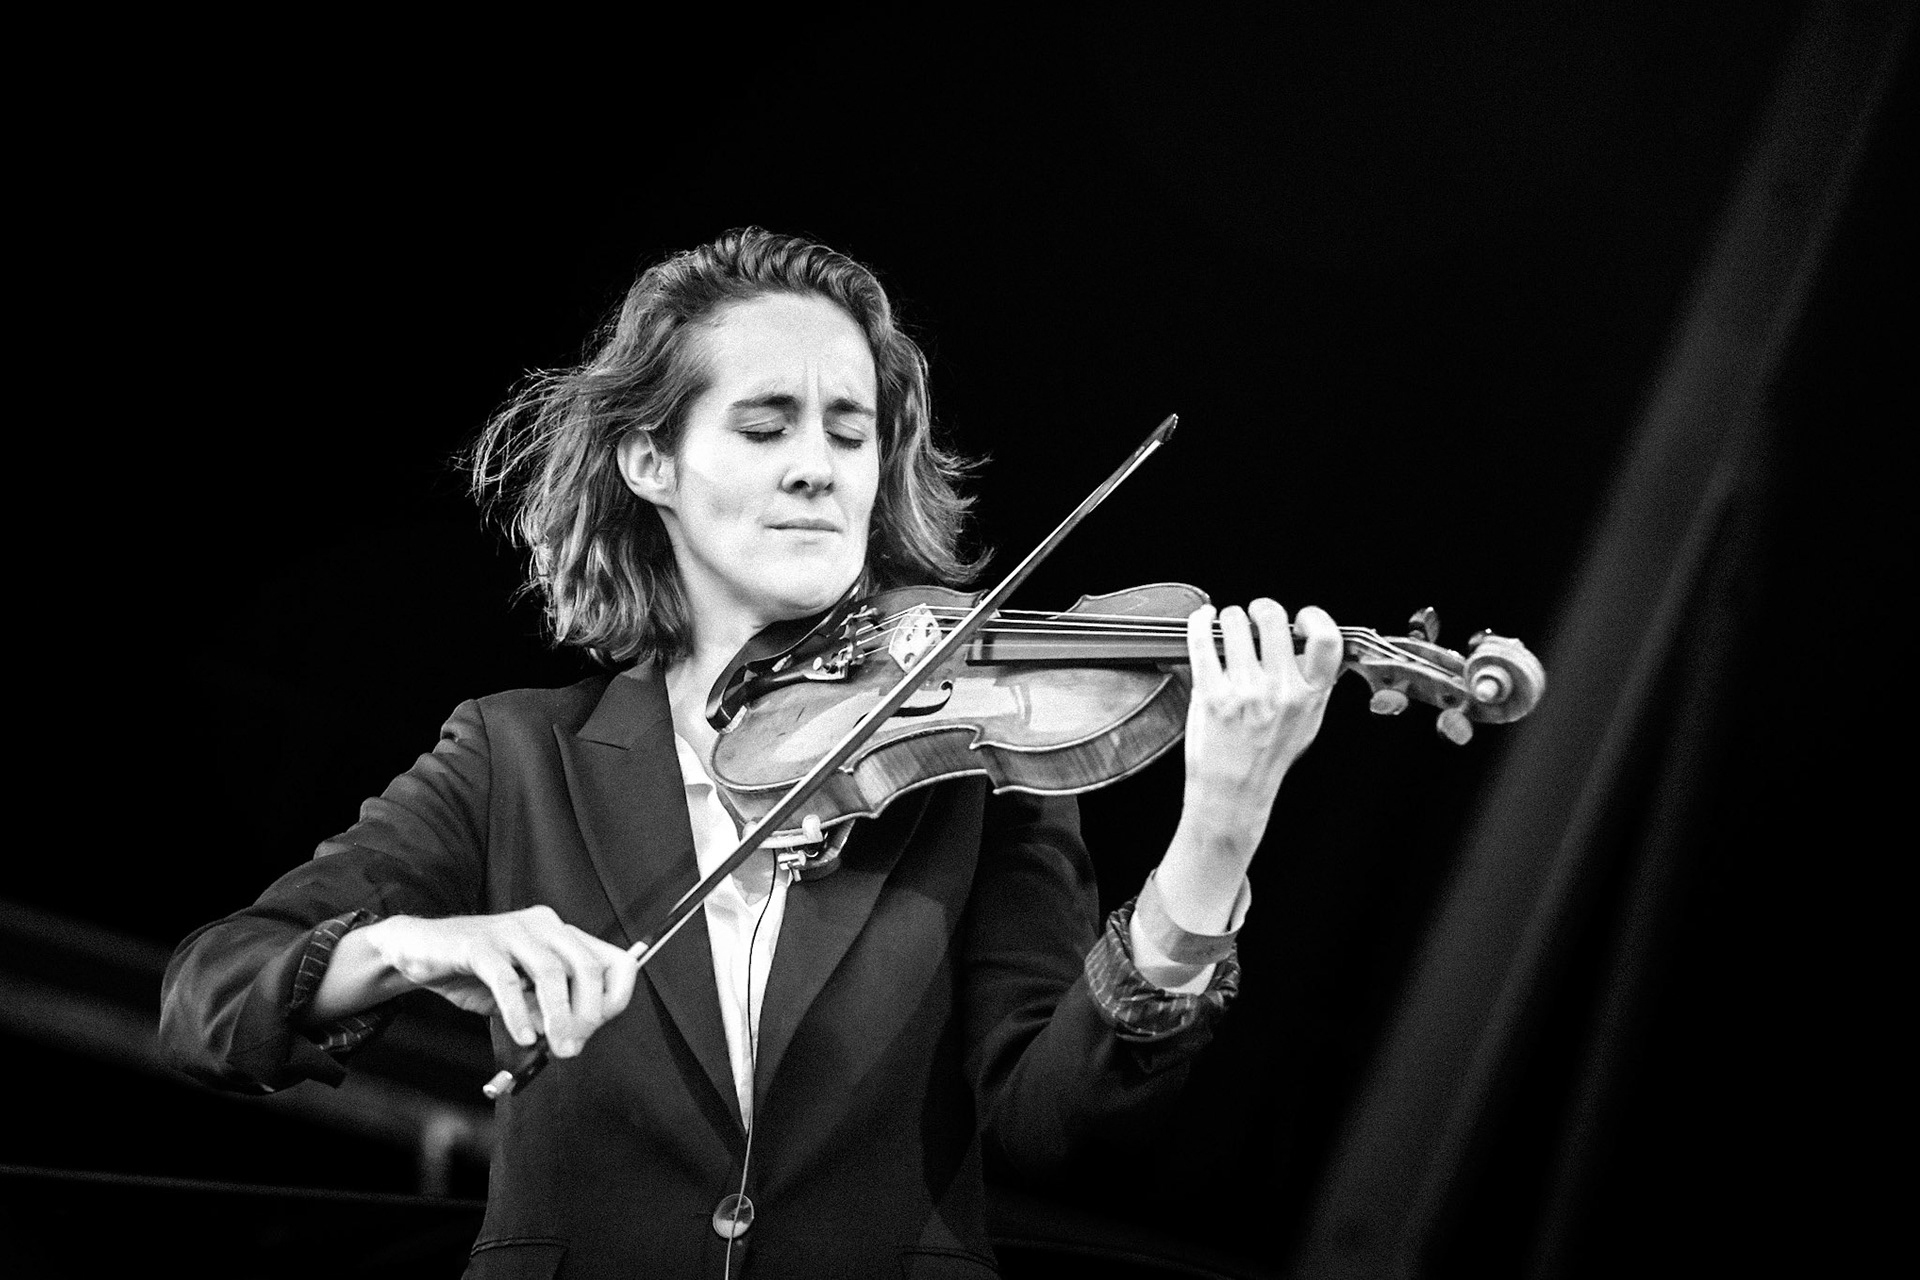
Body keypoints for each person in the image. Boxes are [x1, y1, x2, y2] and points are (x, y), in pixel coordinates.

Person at [160, 228, 1343, 1278]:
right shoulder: (518, 754)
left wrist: (1218, 831)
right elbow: (209, 995)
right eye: (766, 425)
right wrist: (410, 942)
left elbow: (1055, 1125)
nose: (817, 466)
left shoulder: (976, 755)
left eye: (851, 431)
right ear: (651, 463)